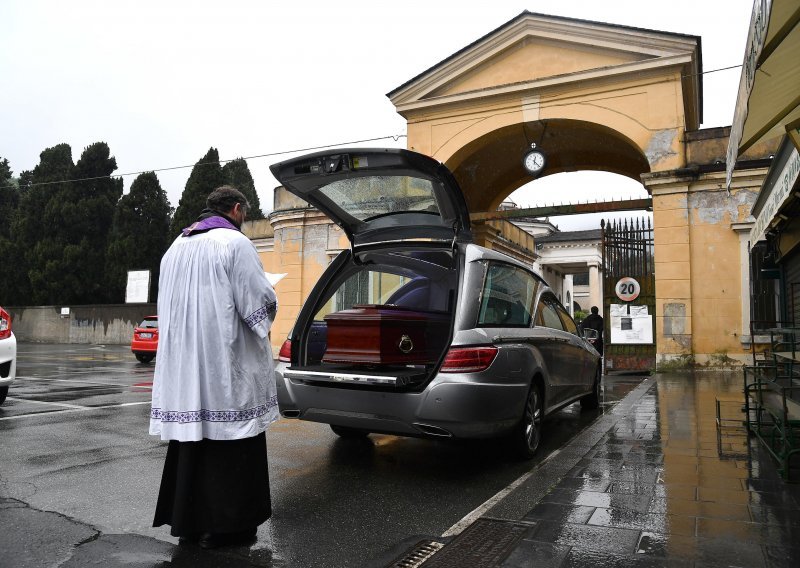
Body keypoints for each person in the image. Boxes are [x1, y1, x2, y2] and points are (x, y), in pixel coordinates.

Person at [150, 185, 278, 549]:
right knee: (231, 435)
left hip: (184, 366)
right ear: (237, 209)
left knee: (193, 441)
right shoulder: (235, 244)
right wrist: (271, 304)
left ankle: (189, 521)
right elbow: (257, 306)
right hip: (223, 364)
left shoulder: (175, 247)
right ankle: (229, 526)